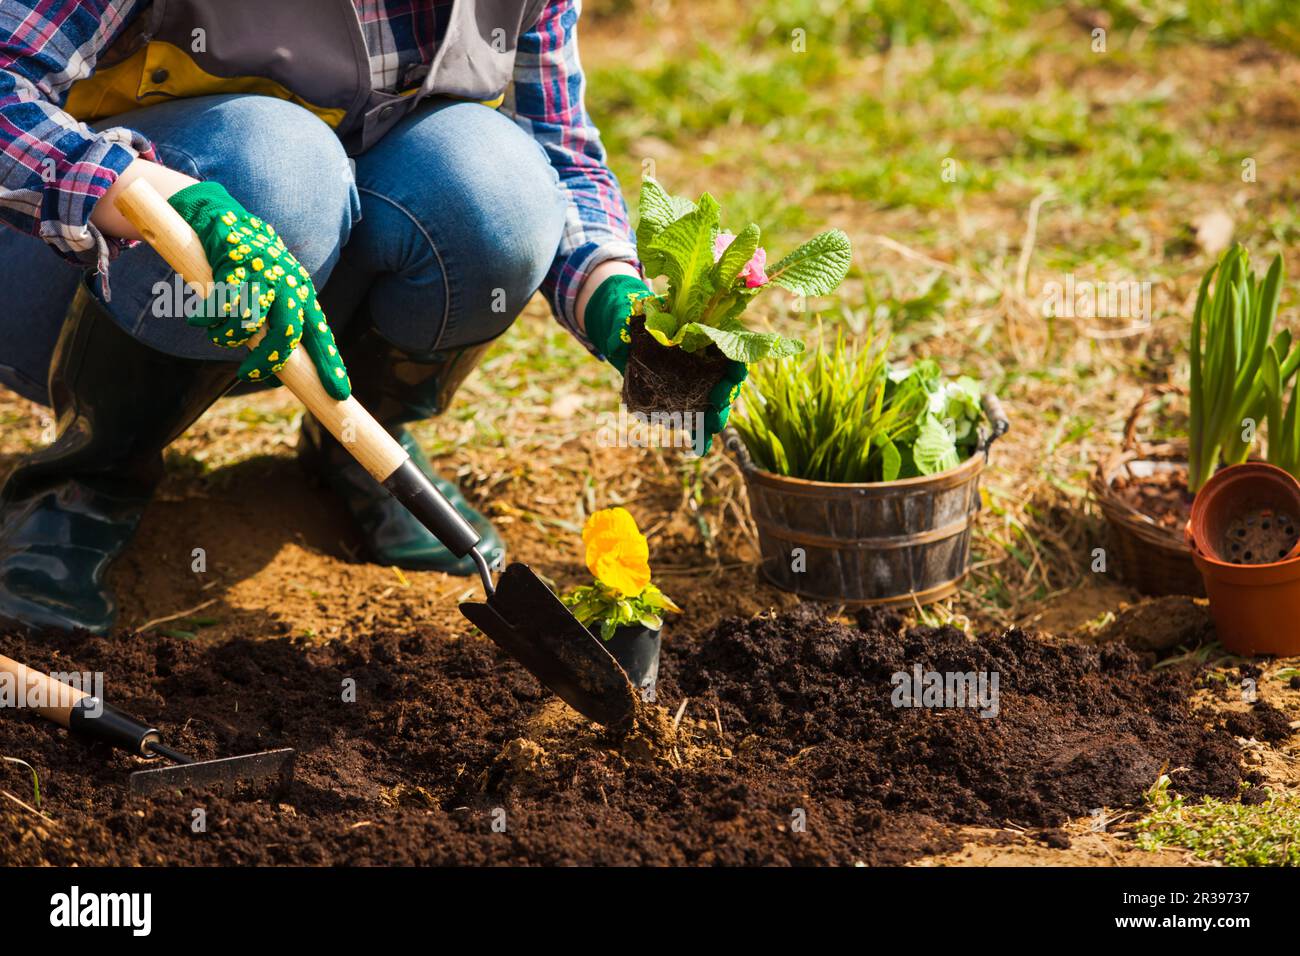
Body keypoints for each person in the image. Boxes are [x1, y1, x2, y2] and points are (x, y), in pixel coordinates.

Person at [0, 0, 744, 635]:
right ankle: (87, 477)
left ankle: (360, 443)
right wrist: (147, 190)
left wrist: (618, 303)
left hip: (302, 283)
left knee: (500, 189)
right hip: (69, 269)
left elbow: (560, 156)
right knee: (282, 168)